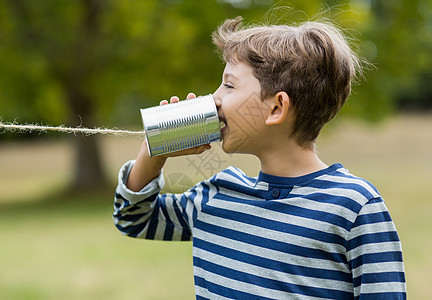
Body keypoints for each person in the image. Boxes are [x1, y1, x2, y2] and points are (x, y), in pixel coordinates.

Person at [113, 16, 406, 299]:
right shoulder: (215, 197)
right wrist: (156, 149)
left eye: (228, 85)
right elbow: (133, 219)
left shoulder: (353, 206)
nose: (213, 98)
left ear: (277, 108)